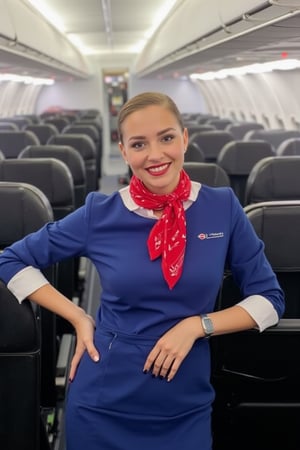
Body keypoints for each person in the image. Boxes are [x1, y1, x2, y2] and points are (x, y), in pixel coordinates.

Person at [0, 92, 284, 450]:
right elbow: (10, 260)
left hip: (185, 402)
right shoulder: (99, 213)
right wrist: (78, 317)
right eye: (139, 144)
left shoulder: (222, 207)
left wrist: (198, 325)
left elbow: (270, 301)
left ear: (184, 138)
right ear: (123, 151)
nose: (154, 155)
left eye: (166, 138)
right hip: (103, 399)